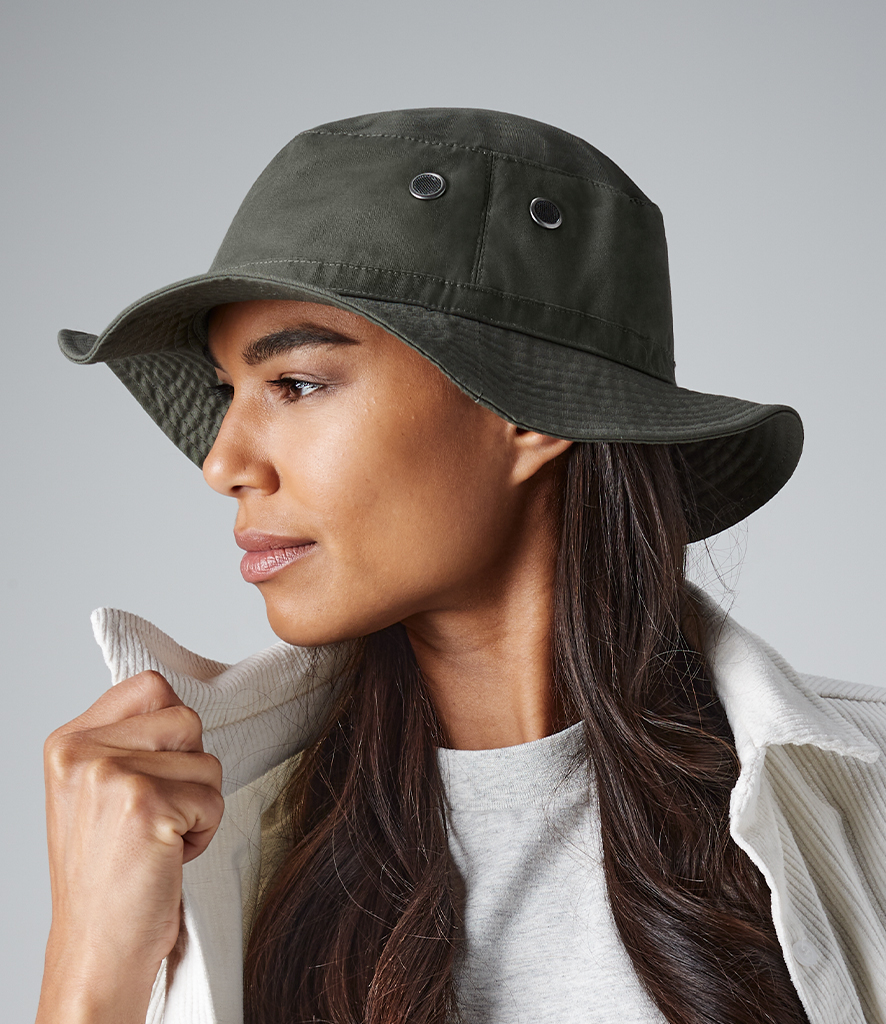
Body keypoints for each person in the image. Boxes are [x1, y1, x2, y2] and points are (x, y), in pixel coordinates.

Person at [38, 109, 886, 1024]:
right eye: (226, 392)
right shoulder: (202, 832)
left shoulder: (855, 802)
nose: (222, 463)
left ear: (531, 410)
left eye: (295, 384)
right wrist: (91, 964)